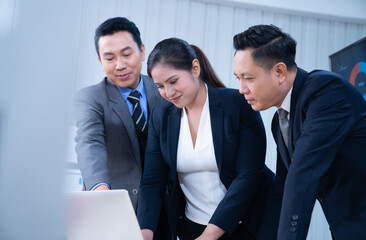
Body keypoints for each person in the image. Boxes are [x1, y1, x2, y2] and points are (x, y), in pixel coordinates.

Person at [233, 24, 366, 240]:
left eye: (248, 78)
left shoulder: (326, 91)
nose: (241, 89)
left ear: (279, 72)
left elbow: (303, 173)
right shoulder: (279, 121)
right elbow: (282, 191)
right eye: (237, 78)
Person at [137, 38, 274, 240]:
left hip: (248, 223)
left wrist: (210, 235)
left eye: (173, 81)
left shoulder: (237, 104)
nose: (169, 92)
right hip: (193, 226)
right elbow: (152, 181)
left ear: (195, 68)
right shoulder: (161, 117)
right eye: (160, 86)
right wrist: (144, 233)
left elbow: (248, 176)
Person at [73, 17, 169, 239]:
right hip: (113, 209)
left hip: (163, 212)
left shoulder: (165, 91)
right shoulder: (90, 98)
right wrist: (101, 193)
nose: (120, 65)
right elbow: (90, 142)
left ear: (142, 51)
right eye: (109, 58)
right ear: (100, 60)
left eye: (127, 54)